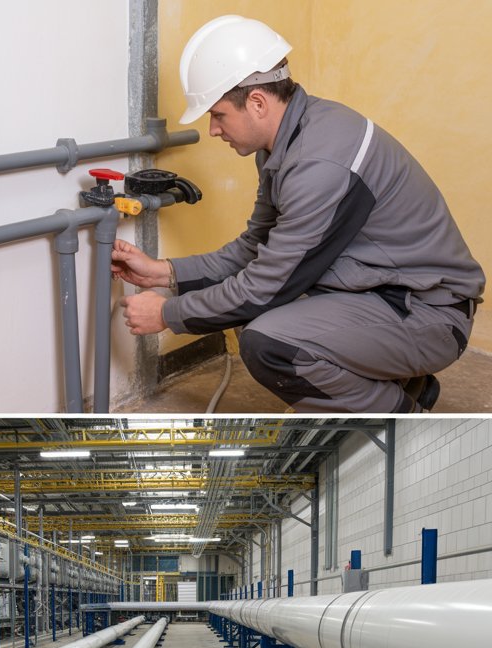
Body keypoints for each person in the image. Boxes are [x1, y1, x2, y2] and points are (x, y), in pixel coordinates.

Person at [115, 14, 483, 413]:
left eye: (217, 115)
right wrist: (164, 272)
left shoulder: (320, 162)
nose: (213, 131)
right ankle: (408, 384)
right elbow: (256, 249)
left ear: (256, 102)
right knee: (245, 310)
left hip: (428, 314)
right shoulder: (289, 141)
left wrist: (169, 313)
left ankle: (399, 412)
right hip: (380, 291)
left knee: (268, 342)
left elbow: (263, 287)